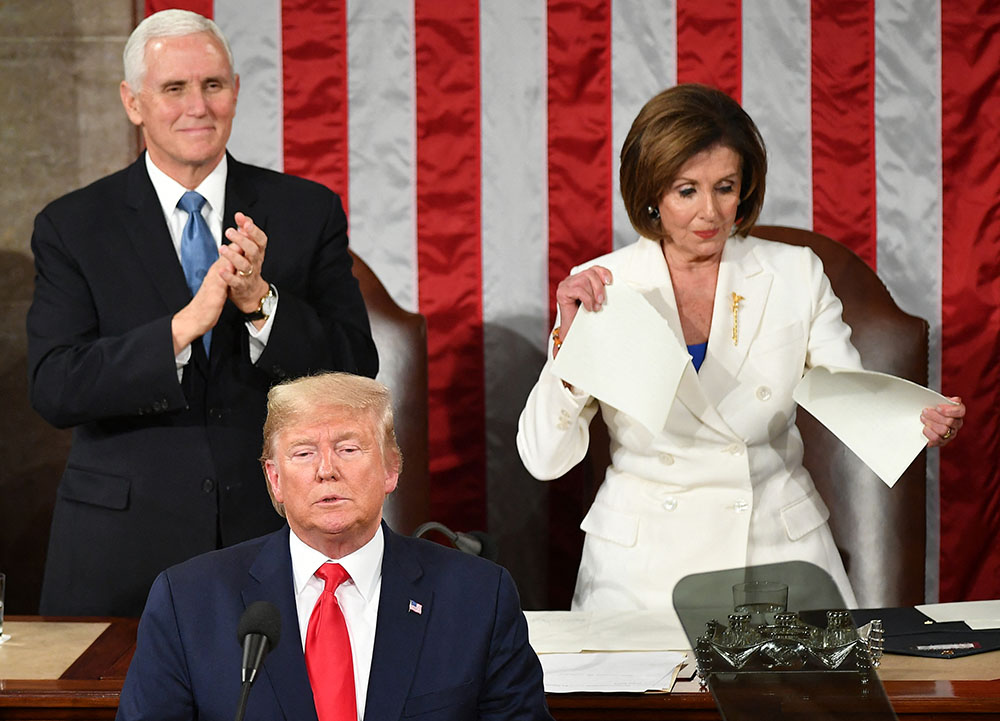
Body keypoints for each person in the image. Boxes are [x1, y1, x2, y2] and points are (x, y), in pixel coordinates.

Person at [516, 83, 965, 612]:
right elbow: (543, 459)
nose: (710, 212)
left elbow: (849, 394)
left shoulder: (796, 272)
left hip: (777, 559)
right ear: (651, 193)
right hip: (641, 575)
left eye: (725, 187)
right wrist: (570, 354)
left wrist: (915, 418)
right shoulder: (601, 285)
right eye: (687, 191)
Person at [27, 9, 378, 617]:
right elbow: (55, 386)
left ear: (236, 92)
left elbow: (354, 369)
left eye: (213, 85)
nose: (198, 105)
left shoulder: (305, 210)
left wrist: (260, 304)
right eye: (174, 88)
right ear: (133, 102)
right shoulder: (73, 225)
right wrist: (181, 329)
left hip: (268, 540)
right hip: (121, 549)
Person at [116, 372, 552, 721]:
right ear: (274, 479)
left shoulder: (478, 597)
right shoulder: (188, 600)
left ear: (391, 469)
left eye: (348, 448)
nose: (327, 470)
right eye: (303, 453)